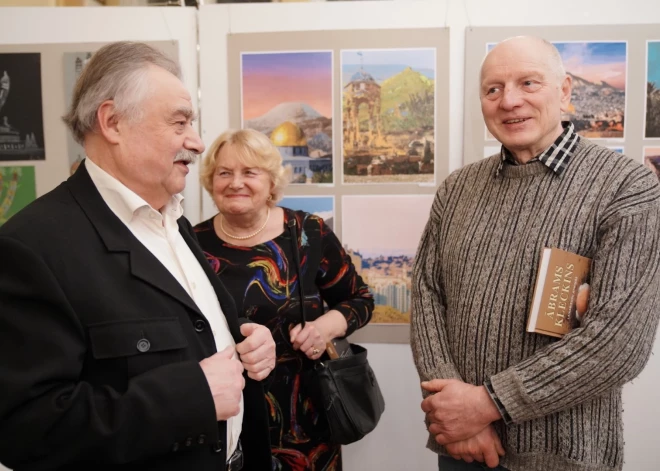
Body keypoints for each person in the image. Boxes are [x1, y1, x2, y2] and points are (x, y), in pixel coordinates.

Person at [0, 42, 276, 471]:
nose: (198, 142)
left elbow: (182, 332)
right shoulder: (32, 247)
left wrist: (244, 342)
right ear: (112, 122)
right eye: (180, 122)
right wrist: (191, 398)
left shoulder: (173, 221)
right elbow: (26, 428)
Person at [411, 36, 660, 471]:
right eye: (493, 89)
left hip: (565, 457)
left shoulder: (626, 186)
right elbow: (429, 295)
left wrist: (486, 405)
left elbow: (618, 342)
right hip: (464, 447)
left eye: (528, 83)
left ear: (564, 91)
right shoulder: (457, 189)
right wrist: (457, 413)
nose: (509, 101)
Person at [194, 128, 374, 470]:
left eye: (249, 172)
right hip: (225, 413)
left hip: (305, 416)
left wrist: (323, 328)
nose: (236, 183)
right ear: (210, 180)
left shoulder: (308, 232)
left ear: (271, 182)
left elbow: (359, 299)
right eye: (225, 173)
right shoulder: (190, 241)